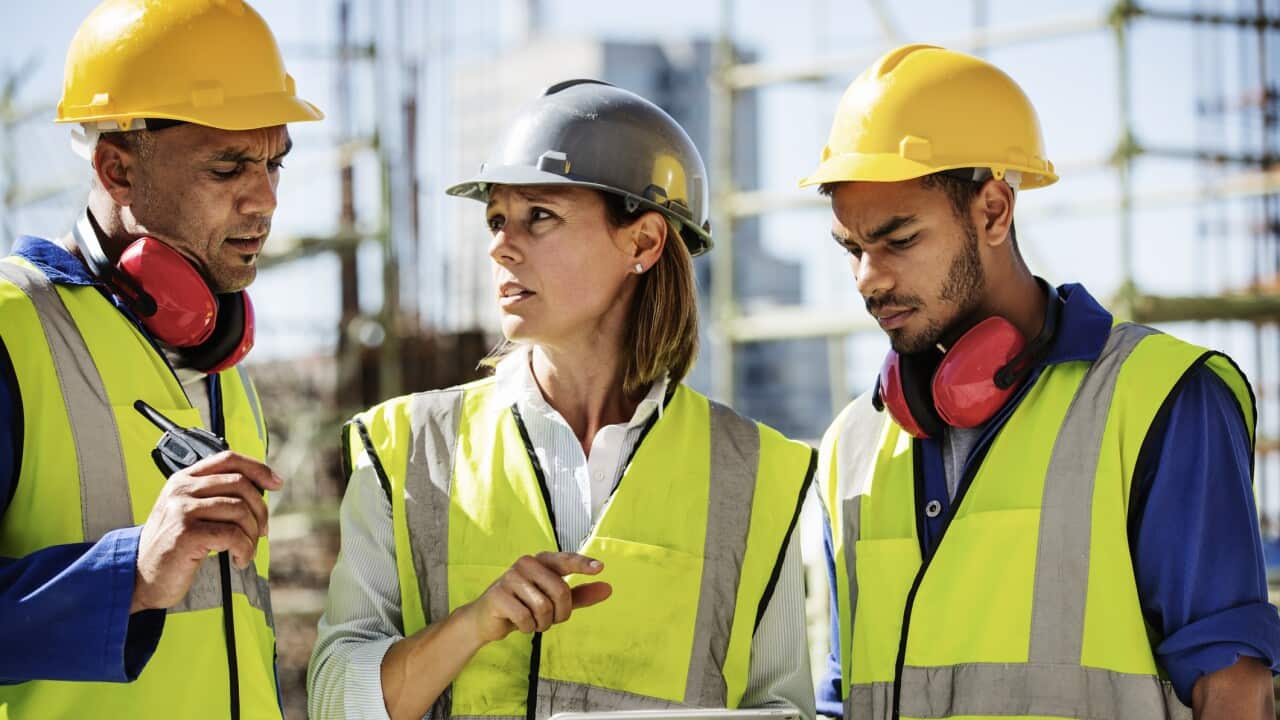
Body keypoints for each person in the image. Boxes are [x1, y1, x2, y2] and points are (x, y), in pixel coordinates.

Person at [308, 79, 816, 720]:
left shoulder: (758, 472)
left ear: (643, 242)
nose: (500, 245)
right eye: (496, 219)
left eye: (538, 216)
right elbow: (331, 702)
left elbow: (784, 708)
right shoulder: (405, 447)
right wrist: (473, 624)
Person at [803, 44, 1280, 720]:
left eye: (899, 240)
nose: (867, 279)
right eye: (852, 249)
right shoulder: (851, 444)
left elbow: (1234, 692)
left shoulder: (1160, 402)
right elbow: (845, 695)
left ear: (994, 210)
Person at [0, 1, 322, 717]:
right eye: (229, 166)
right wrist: (133, 575)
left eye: (274, 163)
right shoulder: (11, 330)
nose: (265, 200)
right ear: (117, 169)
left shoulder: (221, 362)